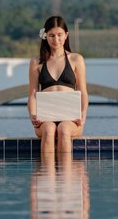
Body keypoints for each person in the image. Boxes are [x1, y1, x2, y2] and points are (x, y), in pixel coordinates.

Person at [28, 16, 88, 153]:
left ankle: (66, 173)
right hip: (45, 119)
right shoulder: (36, 62)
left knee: (64, 129)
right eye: (52, 36)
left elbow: (83, 92)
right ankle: (47, 173)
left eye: (59, 35)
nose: (56, 40)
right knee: (49, 130)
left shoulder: (76, 59)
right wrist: (33, 115)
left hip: (72, 119)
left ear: (66, 35)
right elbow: (32, 94)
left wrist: (83, 116)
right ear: (45, 36)